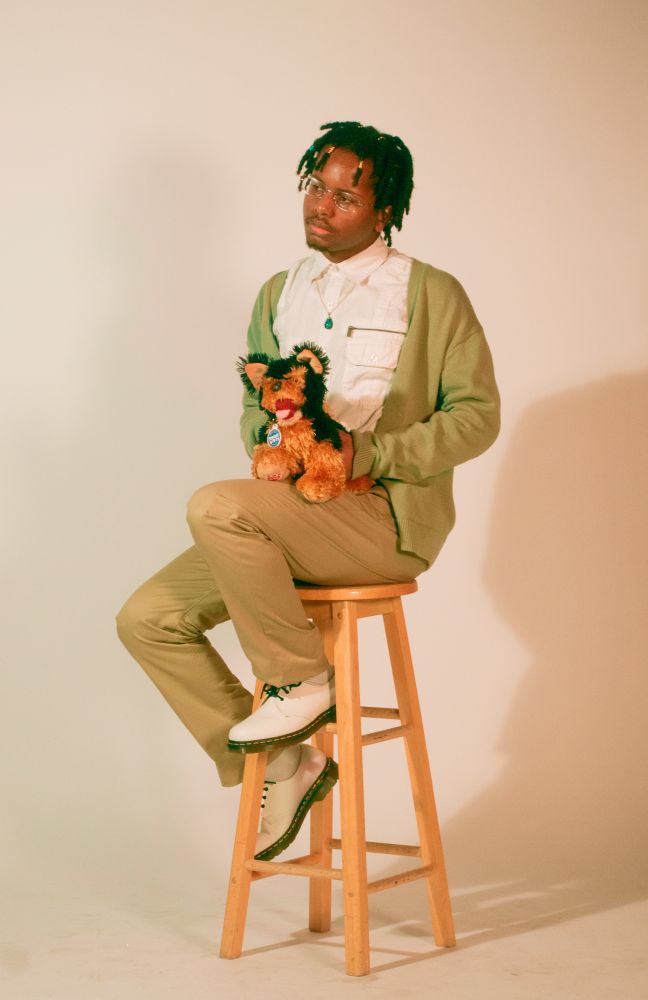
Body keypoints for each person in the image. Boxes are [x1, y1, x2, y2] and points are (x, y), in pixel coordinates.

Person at [116, 120, 500, 862]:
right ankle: (283, 764)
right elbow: (255, 401)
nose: (321, 207)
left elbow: (477, 417)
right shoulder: (279, 292)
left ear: (383, 210)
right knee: (147, 620)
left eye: (345, 197)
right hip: (294, 512)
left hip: (380, 518)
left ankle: (298, 681)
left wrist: (373, 451)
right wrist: (273, 446)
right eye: (315, 188)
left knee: (214, 504)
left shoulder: (429, 293)